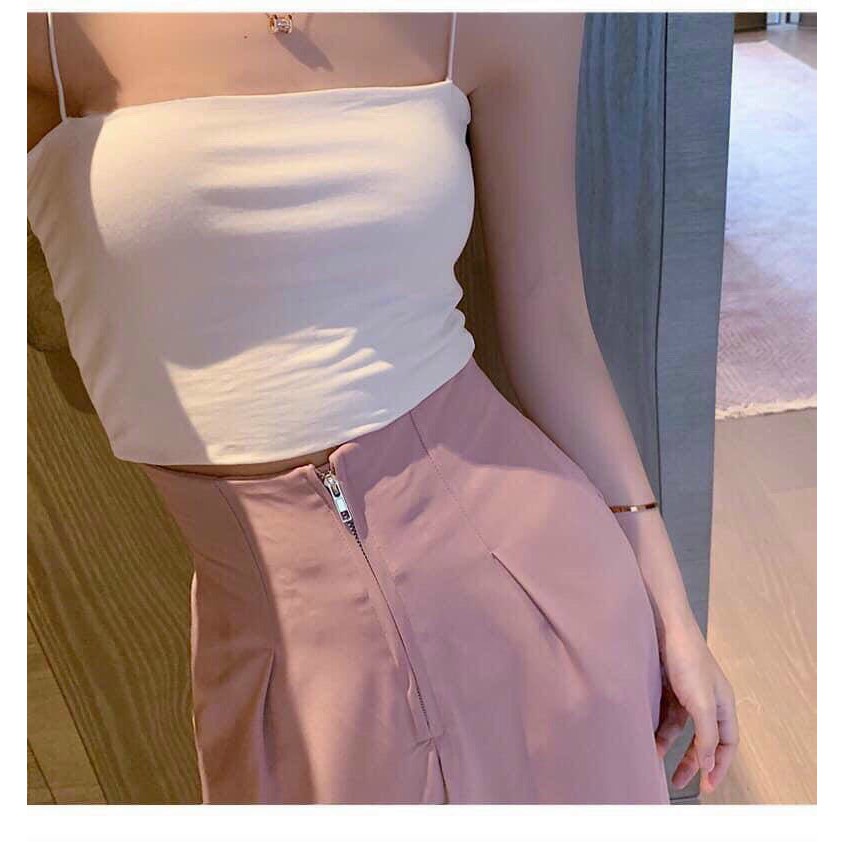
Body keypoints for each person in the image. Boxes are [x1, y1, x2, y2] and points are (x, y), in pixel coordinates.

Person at [27, 10, 738, 804]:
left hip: (541, 594)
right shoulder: (47, 30)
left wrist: (670, 609)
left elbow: (552, 318)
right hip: (277, 661)